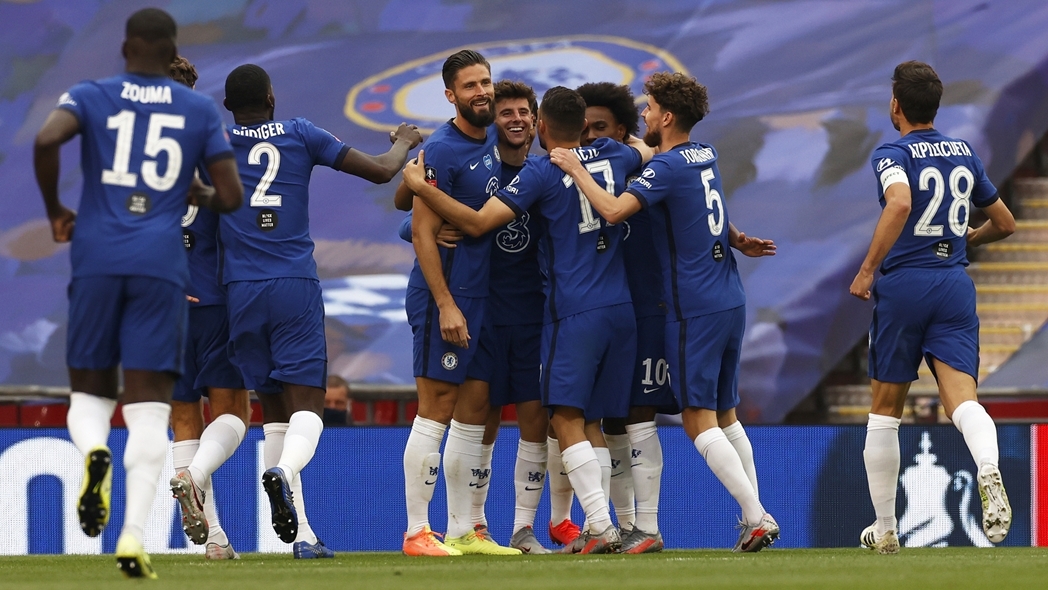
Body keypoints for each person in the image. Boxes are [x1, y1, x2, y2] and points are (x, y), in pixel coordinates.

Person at [32, 8, 243, 578]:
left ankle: (94, 452)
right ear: (172, 46)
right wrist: (192, 189)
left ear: (127, 47)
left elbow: (46, 140)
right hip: (162, 269)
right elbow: (230, 195)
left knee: (93, 396)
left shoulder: (91, 94)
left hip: (98, 256)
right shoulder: (198, 109)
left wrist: (56, 212)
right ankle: (131, 537)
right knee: (152, 411)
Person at [404, 85, 653, 554]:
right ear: (583, 127)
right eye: (506, 112)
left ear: (539, 123)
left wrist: (419, 187)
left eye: (525, 113)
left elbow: (475, 223)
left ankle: (562, 525)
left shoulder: (538, 172)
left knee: (558, 417)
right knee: (555, 419)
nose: (516, 120)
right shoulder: (615, 157)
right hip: (571, 309)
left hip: (557, 310)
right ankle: (479, 526)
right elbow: (644, 150)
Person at [549, 71, 779, 553]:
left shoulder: (664, 167)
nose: (644, 116)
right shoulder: (704, 154)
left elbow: (612, 212)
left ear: (667, 116)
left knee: (698, 418)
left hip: (690, 306)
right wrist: (736, 238)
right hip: (729, 296)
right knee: (726, 414)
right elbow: (697, 202)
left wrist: (576, 169)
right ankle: (745, 514)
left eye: (649, 108)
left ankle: (756, 516)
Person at [219, 63, 421, 559]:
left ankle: (301, 535)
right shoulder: (300, 132)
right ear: (271, 96)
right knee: (306, 405)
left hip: (239, 289)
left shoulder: (215, 145)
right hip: (292, 285)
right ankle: (284, 475)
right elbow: (381, 169)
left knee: (272, 412)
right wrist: (405, 140)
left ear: (228, 107)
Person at [848, 60, 1014, 554]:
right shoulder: (963, 152)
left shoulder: (892, 152)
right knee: (963, 400)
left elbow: (898, 203)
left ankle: (886, 528)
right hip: (953, 285)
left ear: (896, 104)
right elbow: (1004, 223)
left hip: (905, 287)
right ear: (936, 105)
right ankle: (987, 468)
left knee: (885, 412)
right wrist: (969, 239)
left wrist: (866, 269)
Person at [397, 50, 520, 557]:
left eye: (485, 82)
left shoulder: (493, 136)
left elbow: (406, 203)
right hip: (442, 298)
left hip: (481, 294)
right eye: (470, 86)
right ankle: (416, 532)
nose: (482, 92)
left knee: (475, 408)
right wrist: (445, 304)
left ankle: (466, 528)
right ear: (450, 95)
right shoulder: (443, 150)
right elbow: (421, 233)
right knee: (436, 409)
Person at [576, 81, 677, 554]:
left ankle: (649, 526)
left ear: (622, 129)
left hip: (649, 304)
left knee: (640, 414)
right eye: (583, 129)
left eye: (601, 128)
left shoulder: (650, 169)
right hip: (606, 310)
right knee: (609, 420)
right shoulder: (575, 179)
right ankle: (624, 525)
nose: (591, 137)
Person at [165, 54, 251, 562]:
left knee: (183, 417)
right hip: (213, 298)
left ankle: (215, 542)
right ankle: (191, 478)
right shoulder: (216, 147)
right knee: (234, 411)